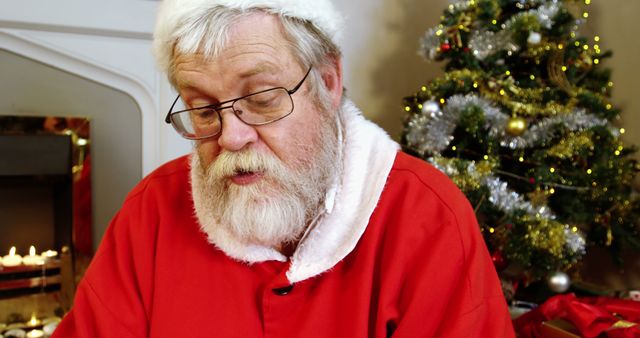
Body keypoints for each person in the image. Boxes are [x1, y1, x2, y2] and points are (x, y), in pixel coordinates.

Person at [52, 0, 515, 336]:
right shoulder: (151, 209)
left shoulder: (428, 218)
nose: (231, 137)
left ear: (328, 83)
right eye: (203, 109)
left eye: (261, 99)